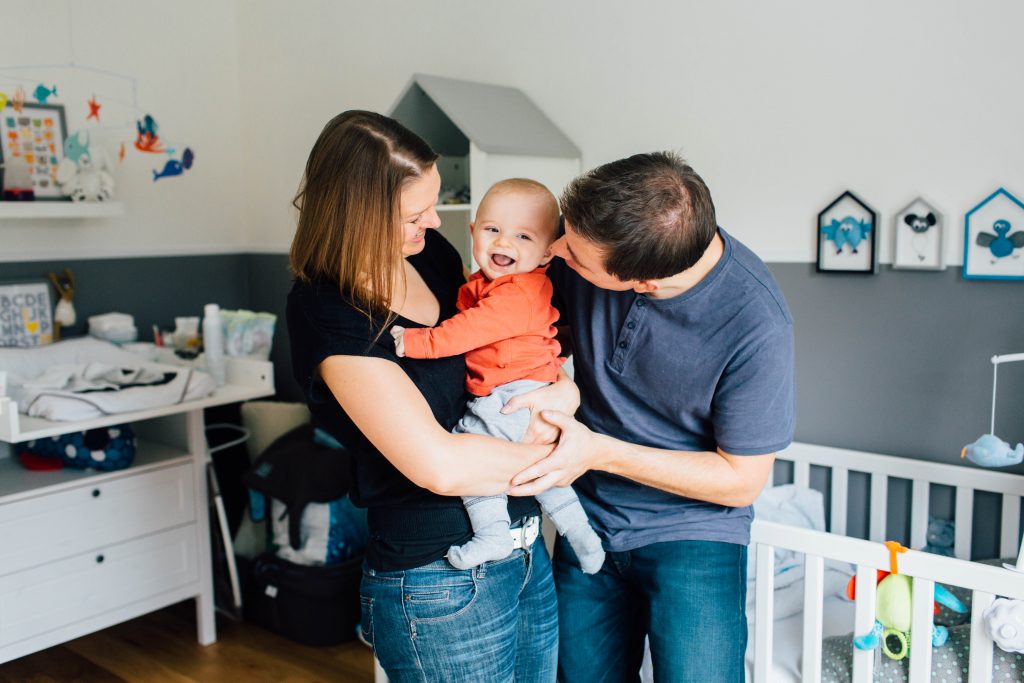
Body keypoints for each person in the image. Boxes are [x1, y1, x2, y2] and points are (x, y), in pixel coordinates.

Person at [286, 111, 577, 682]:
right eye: (414, 215)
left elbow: (510, 344)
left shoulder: (433, 256)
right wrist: (568, 454)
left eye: (433, 205)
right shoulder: (329, 312)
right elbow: (439, 465)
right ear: (358, 218)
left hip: (522, 550)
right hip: (437, 579)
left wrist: (564, 390)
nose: (435, 222)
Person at [508, 152, 795, 683]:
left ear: (641, 284)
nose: (555, 251)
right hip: (588, 519)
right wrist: (563, 383)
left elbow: (741, 481)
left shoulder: (756, 325)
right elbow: (540, 334)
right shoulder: (607, 244)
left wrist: (599, 450)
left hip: (694, 534)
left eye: (571, 252)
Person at [390, 178, 605, 574]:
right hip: (523, 389)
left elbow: (466, 331)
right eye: (492, 230)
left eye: (523, 236)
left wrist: (416, 342)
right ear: (473, 232)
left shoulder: (517, 294)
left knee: (474, 456)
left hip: (511, 394)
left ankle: (492, 535)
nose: (504, 243)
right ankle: (583, 538)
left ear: (546, 255)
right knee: (547, 477)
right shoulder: (490, 284)